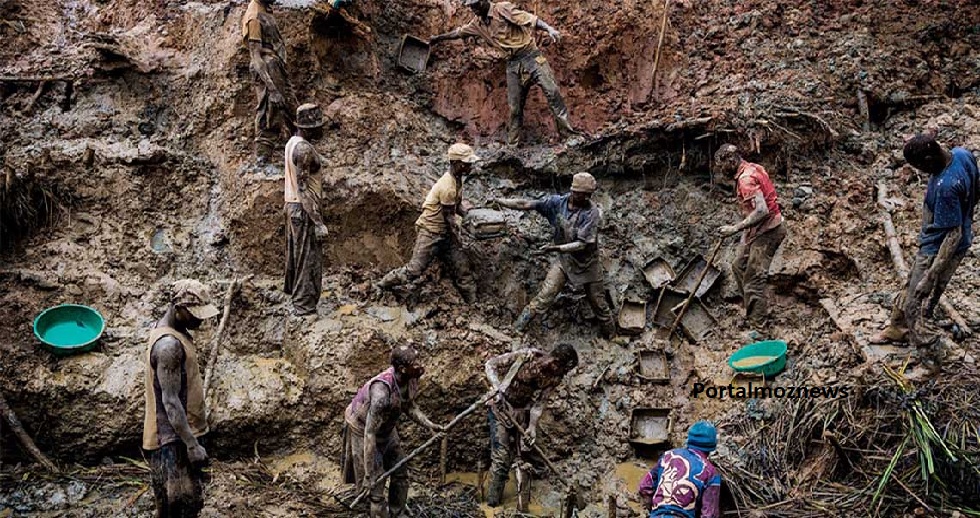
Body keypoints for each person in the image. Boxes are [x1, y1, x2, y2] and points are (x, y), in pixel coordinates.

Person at [872, 133, 978, 346]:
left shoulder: (947, 186)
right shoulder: (961, 154)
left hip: (938, 248)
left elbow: (953, 234)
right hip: (946, 238)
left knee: (915, 299)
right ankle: (897, 328)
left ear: (929, 160)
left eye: (920, 167)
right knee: (913, 286)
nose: (921, 172)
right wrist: (967, 212)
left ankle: (927, 345)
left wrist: (930, 275)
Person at [429, 0, 576, 145]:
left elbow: (529, 19)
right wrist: (438, 38)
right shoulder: (477, 24)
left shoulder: (502, 9)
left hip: (531, 56)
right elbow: (459, 33)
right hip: (512, 64)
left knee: (552, 92)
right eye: (471, 6)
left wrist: (549, 29)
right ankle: (513, 146)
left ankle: (568, 136)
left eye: (475, 5)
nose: (473, 9)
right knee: (514, 107)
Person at [493, 172, 616, 338]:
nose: (587, 198)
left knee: (599, 303)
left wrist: (556, 248)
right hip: (565, 262)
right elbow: (526, 204)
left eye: (589, 195)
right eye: (584, 194)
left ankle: (612, 336)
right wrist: (501, 201)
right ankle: (517, 328)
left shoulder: (591, 212)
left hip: (588, 264)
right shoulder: (557, 203)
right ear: (574, 191)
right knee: (545, 295)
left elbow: (582, 244)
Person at [143, 279, 221, 518]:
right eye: (195, 314)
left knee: (181, 505)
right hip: (172, 441)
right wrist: (192, 445)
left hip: (179, 435)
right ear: (178, 308)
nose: (200, 320)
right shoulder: (168, 346)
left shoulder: (173, 331)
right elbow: (170, 402)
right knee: (179, 506)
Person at [342, 345, 446, 518]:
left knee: (401, 473)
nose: (421, 365)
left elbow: (410, 406)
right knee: (376, 487)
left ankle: (398, 512)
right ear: (403, 369)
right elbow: (369, 435)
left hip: (386, 429)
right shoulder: (381, 393)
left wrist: (429, 424)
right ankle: (378, 511)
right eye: (416, 363)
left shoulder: (410, 378)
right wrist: (368, 474)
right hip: (363, 431)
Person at [377, 143, 479, 303]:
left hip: (444, 231)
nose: (470, 166)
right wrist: (463, 235)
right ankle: (383, 284)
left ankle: (474, 306)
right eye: (467, 163)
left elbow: (456, 206)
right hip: (430, 231)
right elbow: (449, 218)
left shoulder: (457, 180)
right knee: (414, 270)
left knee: (463, 269)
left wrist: (470, 215)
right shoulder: (447, 186)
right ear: (456, 163)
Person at [483, 344, 578, 508]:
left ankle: (524, 501)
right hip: (500, 407)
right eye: (561, 369)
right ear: (555, 361)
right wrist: (497, 387)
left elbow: (540, 403)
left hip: (521, 413)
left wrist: (532, 427)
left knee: (526, 453)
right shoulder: (526, 356)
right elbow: (490, 364)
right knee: (501, 457)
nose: (561, 374)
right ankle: (492, 505)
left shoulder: (555, 377)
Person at [715, 144, 786, 328]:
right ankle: (752, 309)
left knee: (753, 279)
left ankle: (758, 328)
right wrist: (745, 235)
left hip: (769, 231)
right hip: (758, 229)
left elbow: (761, 210)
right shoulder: (754, 167)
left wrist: (735, 228)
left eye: (721, 166)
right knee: (738, 266)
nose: (721, 171)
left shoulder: (746, 179)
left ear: (731, 161)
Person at [283, 103, 328, 316]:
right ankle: (304, 307)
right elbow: (303, 188)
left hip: (294, 206)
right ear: (309, 128)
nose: (322, 129)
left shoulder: (293, 142)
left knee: (298, 256)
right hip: (303, 209)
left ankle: (300, 302)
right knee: (306, 259)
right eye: (318, 126)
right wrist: (318, 222)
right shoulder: (303, 150)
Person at [243, 0, 296, 164]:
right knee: (268, 112)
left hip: (277, 67)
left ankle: (298, 152)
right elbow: (256, 58)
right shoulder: (254, 17)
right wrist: (272, 89)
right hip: (266, 70)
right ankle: (262, 159)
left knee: (289, 107)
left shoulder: (265, 9)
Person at [638, 421, 722, 518]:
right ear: (711, 447)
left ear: (689, 440)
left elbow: (644, 487)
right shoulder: (711, 473)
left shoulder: (667, 456)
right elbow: (709, 515)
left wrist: (654, 509)